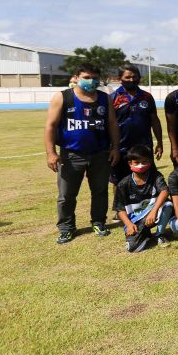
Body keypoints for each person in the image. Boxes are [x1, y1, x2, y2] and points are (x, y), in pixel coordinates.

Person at [45, 63, 121, 244]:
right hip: (71, 155)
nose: (91, 81)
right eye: (86, 77)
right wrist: (51, 153)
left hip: (100, 154)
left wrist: (115, 148)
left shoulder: (105, 98)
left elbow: (112, 124)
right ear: (76, 77)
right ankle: (66, 228)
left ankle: (98, 222)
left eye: (94, 77)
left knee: (100, 191)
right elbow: (50, 126)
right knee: (66, 195)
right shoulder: (63, 97)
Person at [109, 64, 164, 221]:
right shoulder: (112, 98)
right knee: (118, 180)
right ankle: (120, 210)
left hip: (143, 146)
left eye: (134, 76)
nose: (131, 79)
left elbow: (154, 120)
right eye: (127, 77)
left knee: (147, 176)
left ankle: (147, 206)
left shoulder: (146, 97)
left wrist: (159, 142)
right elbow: (108, 124)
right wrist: (112, 147)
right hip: (120, 146)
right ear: (120, 79)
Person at [114, 144, 174, 252]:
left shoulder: (155, 176)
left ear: (150, 162)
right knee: (133, 249)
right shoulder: (123, 184)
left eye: (145, 162)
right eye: (137, 162)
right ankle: (145, 233)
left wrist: (153, 211)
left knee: (168, 205)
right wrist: (129, 224)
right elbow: (120, 209)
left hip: (153, 213)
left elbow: (165, 191)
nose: (141, 165)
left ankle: (159, 235)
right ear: (130, 163)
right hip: (135, 220)